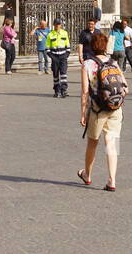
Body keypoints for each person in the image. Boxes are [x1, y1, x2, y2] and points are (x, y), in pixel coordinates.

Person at [78, 30, 127, 192]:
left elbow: (85, 91)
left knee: (92, 142)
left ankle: (87, 175)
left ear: (92, 46)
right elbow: (126, 87)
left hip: (98, 110)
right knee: (112, 143)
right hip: (115, 108)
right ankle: (112, 180)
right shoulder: (113, 62)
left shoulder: (87, 64)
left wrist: (82, 112)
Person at [46, 18, 70, 98]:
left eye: (59, 24)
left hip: (63, 57)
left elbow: (68, 46)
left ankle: (63, 90)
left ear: (61, 25)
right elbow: (47, 48)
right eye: (56, 24)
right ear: (54, 25)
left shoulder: (65, 33)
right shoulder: (50, 34)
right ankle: (57, 91)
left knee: (63, 74)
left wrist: (66, 55)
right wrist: (52, 57)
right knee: (55, 75)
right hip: (55, 57)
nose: (57, 26)